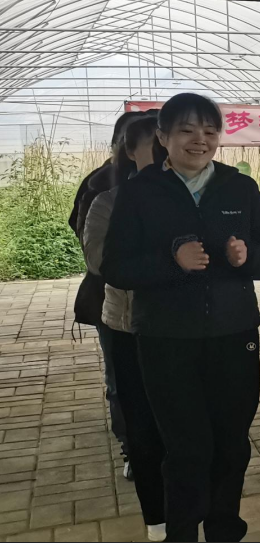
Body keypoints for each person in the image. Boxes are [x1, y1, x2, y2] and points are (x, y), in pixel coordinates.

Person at [101, 93, 260, 543]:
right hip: (166, 337)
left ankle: (224, 531)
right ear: (163, 137)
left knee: (231, 443)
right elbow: (115, 267)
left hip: (234, 332)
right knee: (186, 448)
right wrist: (172, 262)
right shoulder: (140, 192)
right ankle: (181, 533)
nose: (199, 140)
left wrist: (248, 257)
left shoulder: (239, 187)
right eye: (186, 130)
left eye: (209, 130)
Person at [81, 115, 167, 542]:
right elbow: (100, 261)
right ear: (130, 152)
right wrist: (171, 260)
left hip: (186, 327)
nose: (165, 153)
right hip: (128, 323)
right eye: (155, 145)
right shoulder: (108, 201)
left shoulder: (196, 196)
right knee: (138, 412)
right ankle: (157, 514)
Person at [72, 110, 144, 477]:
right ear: (124, 146)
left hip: (167, 310)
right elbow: (95, 252)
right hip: (116, 302)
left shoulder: (179, 185)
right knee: (123, 378)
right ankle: (132, 447)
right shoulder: (103, 187)